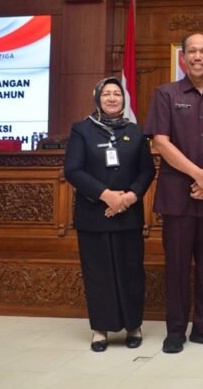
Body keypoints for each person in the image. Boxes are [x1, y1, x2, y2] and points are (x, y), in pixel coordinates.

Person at [144, 32, 203, 354]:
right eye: (192, 51)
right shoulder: (165, 94)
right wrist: (198, 173)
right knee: (177, 266)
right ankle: (175, 331)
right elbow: (160, 141)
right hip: (177, 196)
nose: (198, 56)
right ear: (182, 58)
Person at [64, 77, 155, 352]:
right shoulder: (82, 130)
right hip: (94, 214)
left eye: (118, 94)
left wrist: (128, 197)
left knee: (131, 272)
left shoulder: (136, 132)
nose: (113, 98)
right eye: (107, 94)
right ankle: (100, 329)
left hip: (128, 213)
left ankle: (133, 326)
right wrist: (107, 196)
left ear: (124, 100)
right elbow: (73, 170)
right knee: (98, 273)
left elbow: (147, 170)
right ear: (98, 98)